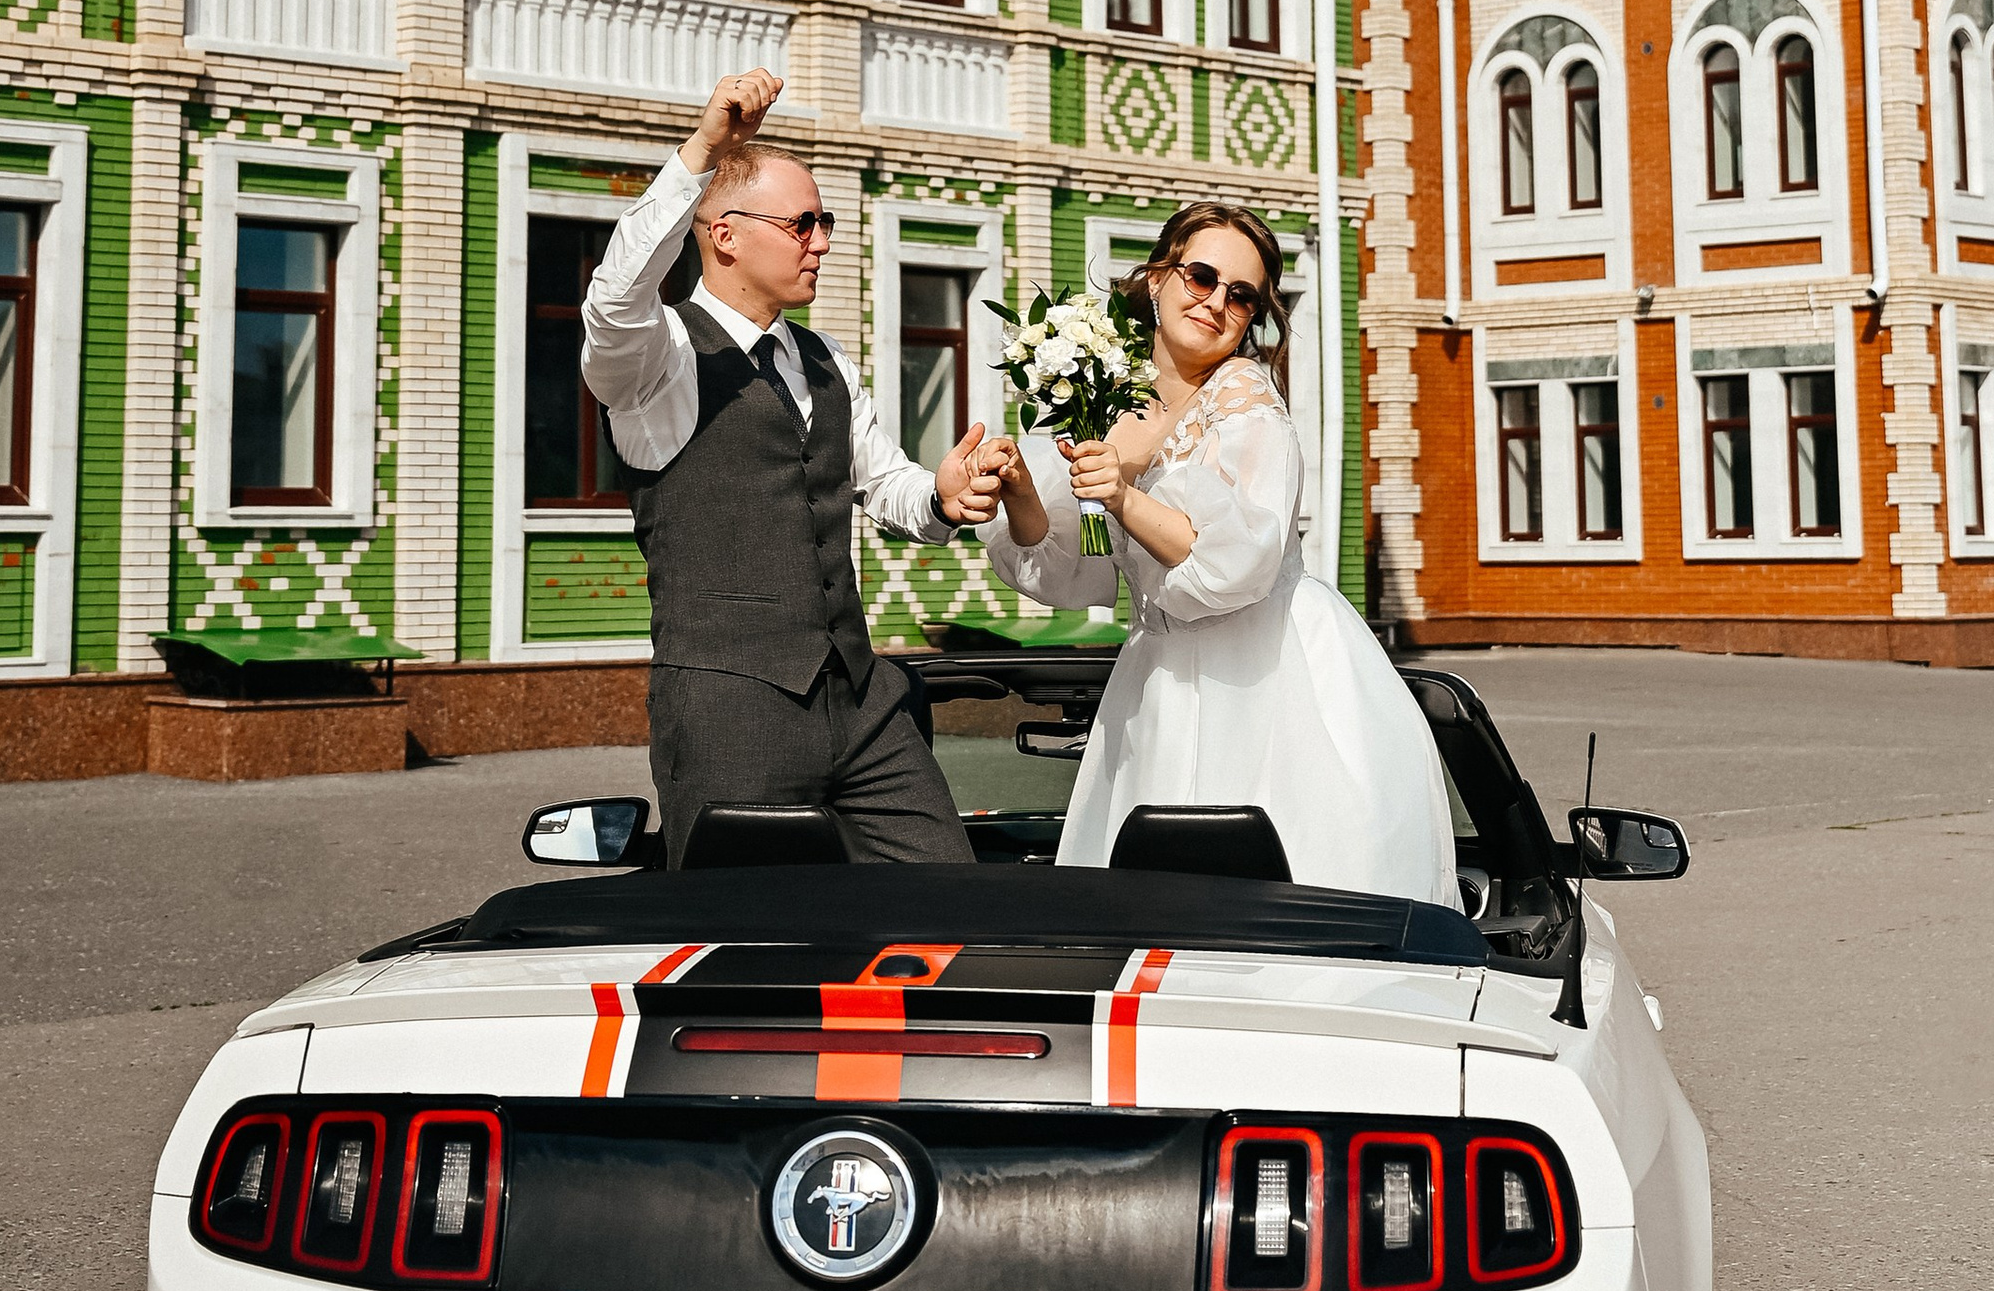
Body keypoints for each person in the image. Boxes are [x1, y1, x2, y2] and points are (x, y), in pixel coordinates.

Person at [580, 66, 1006, 863]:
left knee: (948, 895)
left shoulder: (823, 357)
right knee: (747, 924)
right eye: (802, 224)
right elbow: (613, 302)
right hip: (729, 707)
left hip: (863, 702)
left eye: (825, 222)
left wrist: (942, 498)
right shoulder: (658, 360)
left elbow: (884, 484)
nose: (823, 242)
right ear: (726, 235)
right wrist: (703, 150)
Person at [985, 201, 1458, 903]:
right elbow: (1071, 567)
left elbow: (1234, 564)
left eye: (1242, 296)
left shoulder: (1245, 400)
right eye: (1202, 277)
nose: (1216, 303)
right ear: (1157, 277)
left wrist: (1123, 497)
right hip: (1159, 673)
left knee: (1275, 893)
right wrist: (1023, 490)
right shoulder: (1106, 394)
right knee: (1154, 899)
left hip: (1267, 674)